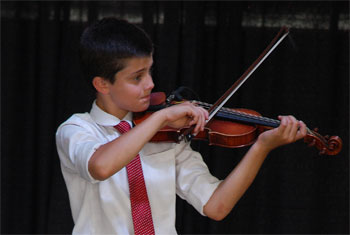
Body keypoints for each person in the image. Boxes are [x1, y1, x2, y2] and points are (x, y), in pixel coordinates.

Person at [56, 17, 307, 234]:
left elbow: (216, 206)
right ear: (102, 85)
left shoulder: (166, 138)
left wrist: (262, 146)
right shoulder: (76, 130)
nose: (150, 84)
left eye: (149, 71)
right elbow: (101, 167)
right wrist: (160, 118)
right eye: (137, 77)